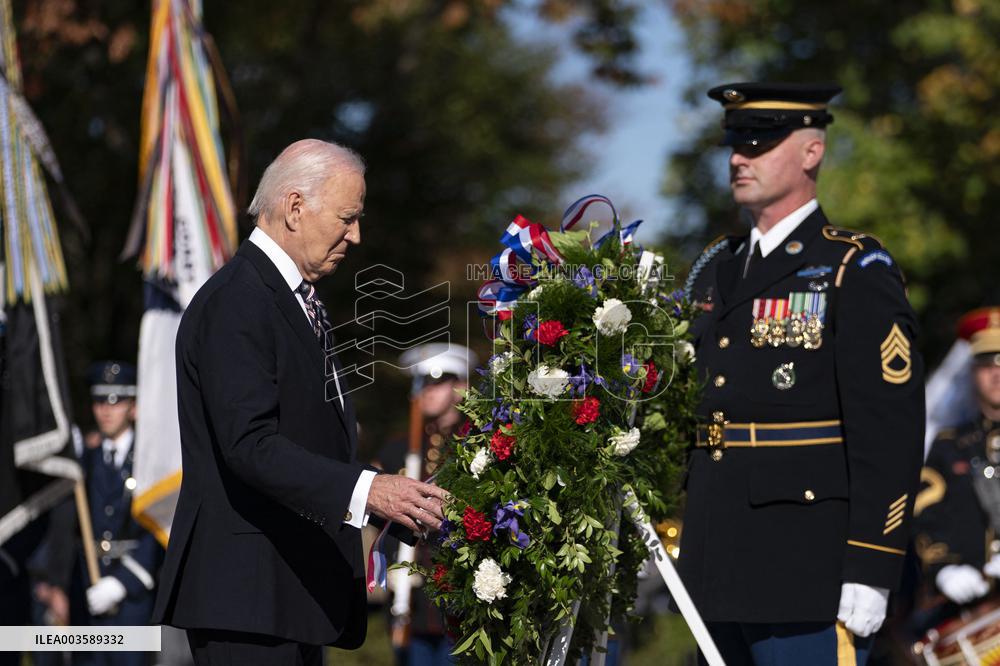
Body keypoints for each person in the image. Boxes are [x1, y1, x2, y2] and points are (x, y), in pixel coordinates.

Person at [152, 139, 448, 666]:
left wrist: (391, 501)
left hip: (287, 592)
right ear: (294, 207)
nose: (356, 235)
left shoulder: (291, 298)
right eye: (346, 217)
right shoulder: (238, 301)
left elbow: (305, 441)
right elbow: (250, 444)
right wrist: (367, 490)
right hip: (245, 599)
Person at [678, 82, 925, 665]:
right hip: (716, 561)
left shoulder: (852, 266)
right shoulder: (718, 266)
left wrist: (872, 561)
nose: (740, 157)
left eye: (759, 144)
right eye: (736, 144)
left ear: (811, 153)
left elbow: (889, 431)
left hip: (807, 569)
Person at [376, 343, 477, 666]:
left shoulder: (476, 447)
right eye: (420, 383)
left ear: (461, 386)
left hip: (463, 599)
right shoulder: (397, 450)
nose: (426, 391)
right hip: (412, 603)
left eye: (437, 380)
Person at [72, 361, 163, 666]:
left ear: (133, 407)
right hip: (89, 591)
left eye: (116, 401)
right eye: (99, 401)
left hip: (134, 597)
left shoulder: (151, 463)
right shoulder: (84, 461)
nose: (106, 410)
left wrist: (123, 581)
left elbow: (160, 525)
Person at [913, 307, 1000, 608]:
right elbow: (925, 512)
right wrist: (944, 568)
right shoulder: (949, 445)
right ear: (972, 371)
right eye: (987, 363)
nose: (996, 372)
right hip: (968, 607)